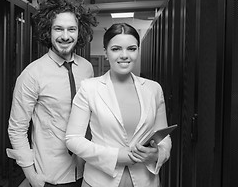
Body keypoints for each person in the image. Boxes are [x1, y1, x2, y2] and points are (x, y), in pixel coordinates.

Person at [6, 0, 98, 187]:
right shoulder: (32, 74)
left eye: (71, 29)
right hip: (49, 177)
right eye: (59, 29)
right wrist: (32, 177)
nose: (65, 36)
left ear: (79, 32)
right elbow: (17, 129)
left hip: (86, 172)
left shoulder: (87, 68)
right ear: (48, 31)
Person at [65, 23, 172, 187]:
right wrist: (115, 156)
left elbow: (164, 138)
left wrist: (157, 154)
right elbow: (73, 139)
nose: (124, 55)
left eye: (131, 48)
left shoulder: (153, 89)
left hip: (146, 180)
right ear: (106, 53)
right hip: (99, 181)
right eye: (116, 49)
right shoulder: (89, 88)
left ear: (137, 50)